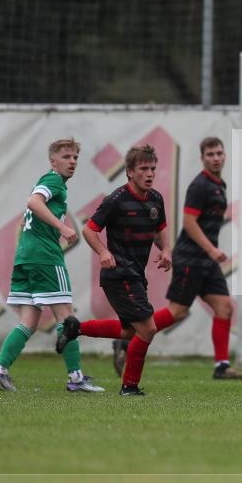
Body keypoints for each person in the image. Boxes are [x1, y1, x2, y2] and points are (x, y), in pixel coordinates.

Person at [110, 137, 242, 380]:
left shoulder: (219, 184)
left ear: (224, 155)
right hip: (191, 258)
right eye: (210, 154)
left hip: (206, 261)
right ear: (202, 158)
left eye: (219, 153)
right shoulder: (200, 186)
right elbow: (188, 222)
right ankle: (129, 337)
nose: (216, 157)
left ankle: (221, 367)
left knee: (225, 307)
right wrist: (211, 250)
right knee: (177, 312)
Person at [0, 138, 104, 393]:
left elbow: (30, 209)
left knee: (28, 321)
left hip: (24, 257)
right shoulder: (53, 181)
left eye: (75, 157)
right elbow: (34, 203)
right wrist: (62, 226)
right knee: (67, 318)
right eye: (66, 157)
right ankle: (76, 377)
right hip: (45, 258)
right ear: (53, 161)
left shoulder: (46, 182)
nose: (72, 161)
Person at [56, 144, 173, 396]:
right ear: (130, 172)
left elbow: (160, 228)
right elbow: (90, 230)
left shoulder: (156, 199)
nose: (150, 173)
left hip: (135, 276)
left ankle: (76, 328)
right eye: (143, 169)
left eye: (152, 168)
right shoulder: (116, 200)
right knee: (148, 329)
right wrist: (103, 252)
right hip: (119, 274)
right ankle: (129, 387)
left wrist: (165, 250)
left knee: (129, 332)